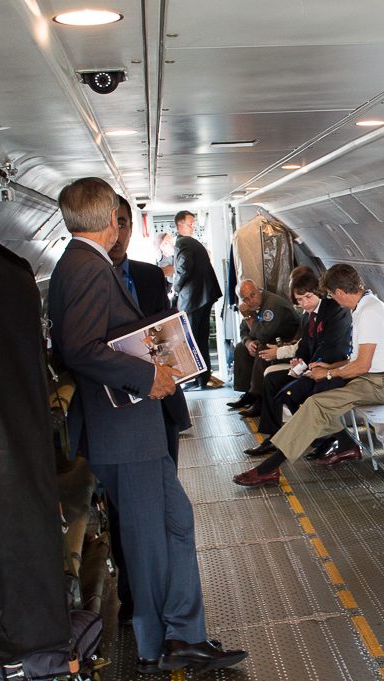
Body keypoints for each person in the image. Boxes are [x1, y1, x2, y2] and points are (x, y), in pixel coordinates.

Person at [47, 178, 246, 673]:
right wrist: (147, 373)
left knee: (175, 521)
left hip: (131, 432)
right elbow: (80, 349)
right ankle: (158, 645)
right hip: (124, 432)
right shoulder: (86, 269)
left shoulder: (79, 266)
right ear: (111, 222)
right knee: (147, 539)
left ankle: (184, 632)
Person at [233, 264, 384, 487]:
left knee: (316, 403)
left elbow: (362, 365)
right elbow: (355, 361)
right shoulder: (364, 308)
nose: (333, 300)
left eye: (332, 294)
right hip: (371, 378)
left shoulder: (369, 312)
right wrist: (328, 369)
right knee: (315, 403)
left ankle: (269, 468)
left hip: (381, 384)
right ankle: (336, 444)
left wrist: (330, 373)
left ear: (340, 292)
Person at [106, 197, 194, 625]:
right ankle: (133, 599)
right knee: (127, 515)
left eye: (125, 224)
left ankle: (166, 607)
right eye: (113, 224)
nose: (119, 233)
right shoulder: (91, 279)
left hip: (160, 409)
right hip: (120, 419)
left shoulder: (146, 275)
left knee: (166, 511)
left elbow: (166, 331)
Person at [246, 268, 352, 456]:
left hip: (332, 368)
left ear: (318, 292)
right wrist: (298, 361)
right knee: (271, 381)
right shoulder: (306, 316)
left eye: (308, 297)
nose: (305, 304)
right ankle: (274, 436)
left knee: (289, 394)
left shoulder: (334, 311)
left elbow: (331, 348)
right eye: (300, 300)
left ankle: (322, 439)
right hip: (311, 367)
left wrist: (307, 367)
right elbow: (305, 345)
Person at [227, 279, 300, 412]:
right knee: (241, 348)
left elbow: (262, 335)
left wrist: (248, 316)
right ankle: (248, 393)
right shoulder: (252, 306)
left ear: (258, 290)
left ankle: (259, 398)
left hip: (287, 343)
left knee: (262, 350)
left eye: (253, 295)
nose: (251, 301)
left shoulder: (271, 304)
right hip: (270, 339)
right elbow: (243, 330)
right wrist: (248, 342)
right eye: (246, 299)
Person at [172, 211, 221, 389]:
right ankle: (202, 377)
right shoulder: (191, 243)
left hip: (193, 299)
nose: (193, 227)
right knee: (201, 339)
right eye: (190, 224)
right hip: (204, 297)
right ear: (179, 225)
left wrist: (175, 289)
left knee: (191, 341)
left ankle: (195, 379)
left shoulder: (182, 243)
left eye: (193, 224)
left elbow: (183, 268)